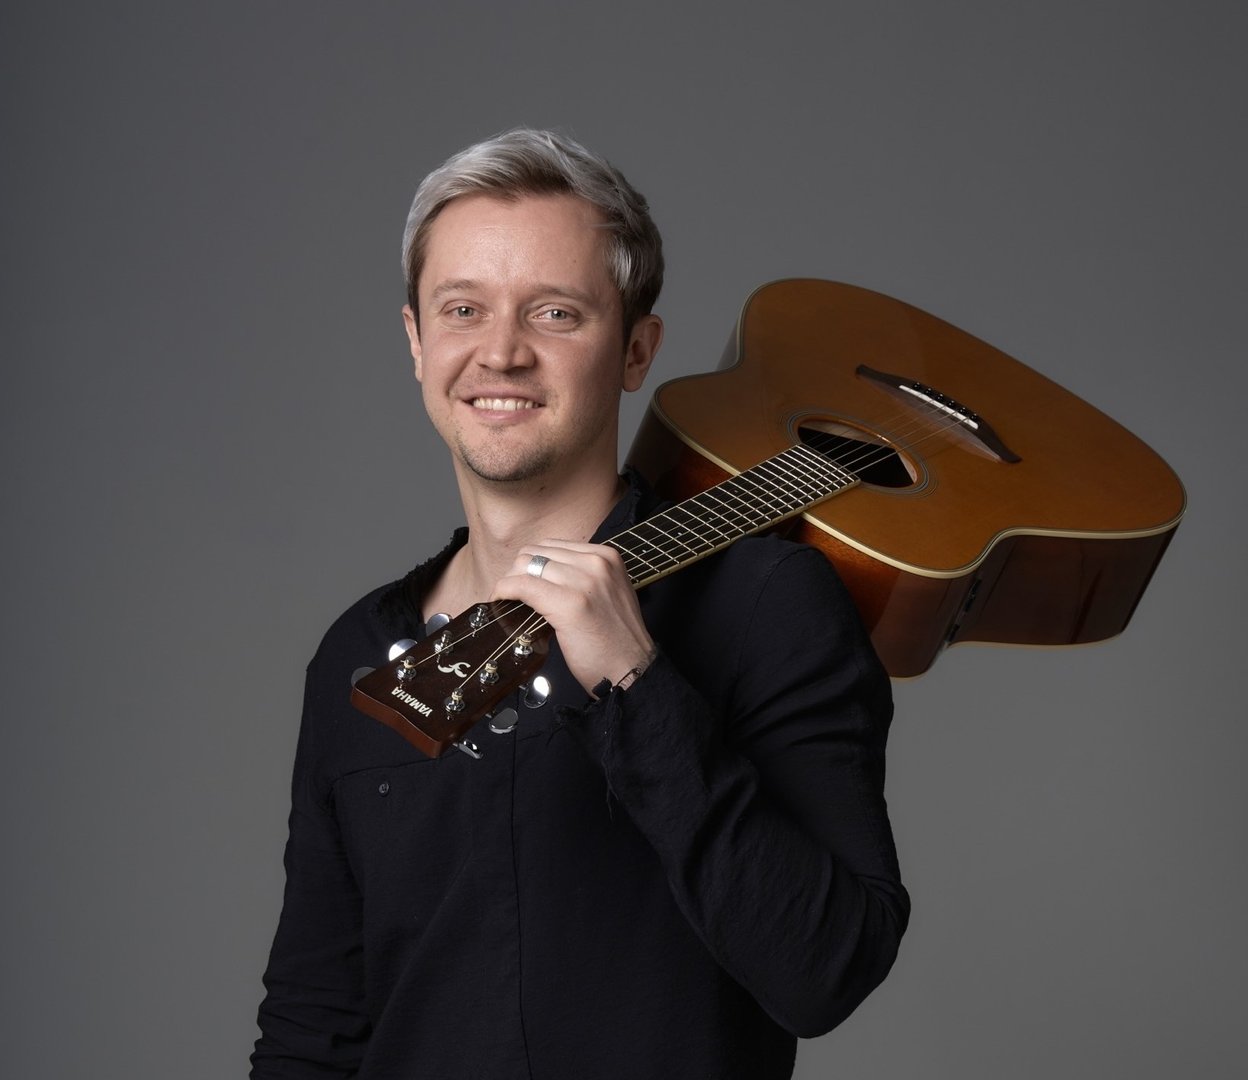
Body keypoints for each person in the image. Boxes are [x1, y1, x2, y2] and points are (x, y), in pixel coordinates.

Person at [251, 128, 908, 1079]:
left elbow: (825, 969)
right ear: (417, 341)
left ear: (635, 350)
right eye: (463, 310)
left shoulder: (765, 600)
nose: (500, 353)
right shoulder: (357, 654)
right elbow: (313, 1023)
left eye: (555, 313)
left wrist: (635, 684)